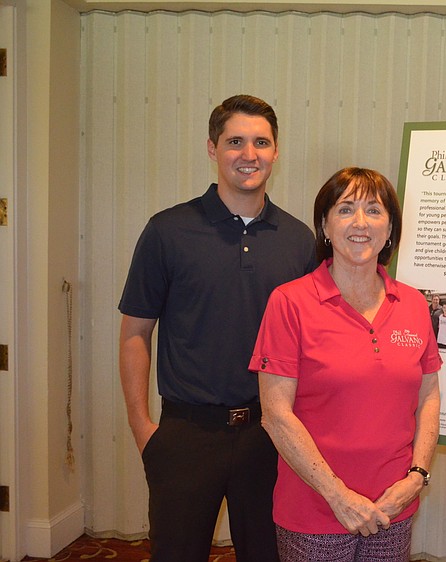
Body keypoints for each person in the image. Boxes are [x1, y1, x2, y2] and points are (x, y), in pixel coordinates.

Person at [118, 94, 316, 562]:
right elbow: (134, 333)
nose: (249, 155)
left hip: (271, 436)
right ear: (212, 148)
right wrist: (143, 428)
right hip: (186, 434)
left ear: (276, 151)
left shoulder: (299, 240)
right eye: (235, 142)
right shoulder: (168, 231)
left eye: (261, 142)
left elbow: (310, 344)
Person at [250, 167, 442, 562]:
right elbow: (275, 414)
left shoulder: (414, 304)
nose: (360, 222)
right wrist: (339, 497)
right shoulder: (289, 303)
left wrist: (417, 477)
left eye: (374, 210)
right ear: (324, 225)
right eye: (345, 209)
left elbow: (429, 397)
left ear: (390, 229)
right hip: (315, 511)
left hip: (393, 508)